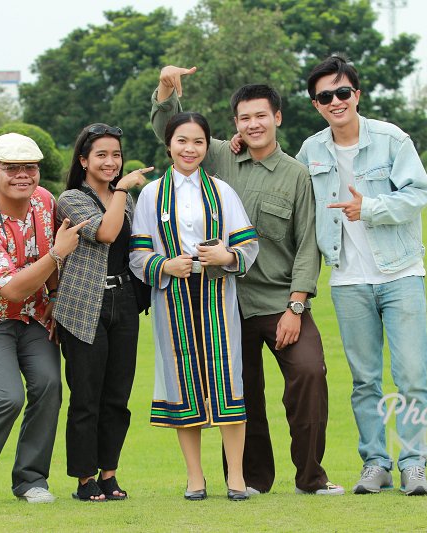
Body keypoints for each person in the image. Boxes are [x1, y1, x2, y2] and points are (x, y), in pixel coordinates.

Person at [151, 67, 343, 496]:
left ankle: (311, 477)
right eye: (243, 118)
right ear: (234, 124)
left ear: (277, 117)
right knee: (241, 391)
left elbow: (308, 244)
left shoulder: (296, 174)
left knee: (309, 375)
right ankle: (251, 480)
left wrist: (296, 306)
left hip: (278, 302)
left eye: (260, 116)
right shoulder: (218, 156)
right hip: (223, 302)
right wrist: (166, 89)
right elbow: (177, 132)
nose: (252, 125)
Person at [296, 54, 427, 496]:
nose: (335, 101)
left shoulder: (392, 139)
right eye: (325, 96)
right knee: (364, 379)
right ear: (316, 104)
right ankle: (375, 462)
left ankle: (414, 464)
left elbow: (419, 192)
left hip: (401, 272)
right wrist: (241, 144)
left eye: (342, 92)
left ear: (357, 94)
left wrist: (368, 208)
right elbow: (287, 185)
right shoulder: (311, 151)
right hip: (348, 280)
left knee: (411, 375)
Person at [0, 133, 88, 507]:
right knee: (6, 396)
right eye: (11, 168)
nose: (22, 175)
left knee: (49, 386)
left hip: (33, 318)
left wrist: (55, 296)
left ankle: (30, 479)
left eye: (30, 168)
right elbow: (11, 290)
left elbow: (49, 269)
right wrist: (57, 254)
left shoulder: (44, 202)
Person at [131, 111, 258, 501]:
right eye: (182, 141)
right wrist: (165, 264)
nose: (190, 149)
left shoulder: (222, 191)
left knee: (227, 379)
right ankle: (195, 477)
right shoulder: (152, 195)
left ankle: (235, 476)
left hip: (218, 296)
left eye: (198, 142)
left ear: (208, 145)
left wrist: (226, 255)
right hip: (173, 297)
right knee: (182, 382)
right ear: (169, 145)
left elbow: (248, 244)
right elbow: (138, 255)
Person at [54, 124, 152, 502]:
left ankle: (109, 473)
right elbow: (107, 234)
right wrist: (124, 189)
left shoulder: (123, 198)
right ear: (83, 160)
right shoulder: (71, 200)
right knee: (86, 396)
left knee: (117, 396)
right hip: (83, 307)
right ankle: (84, 479)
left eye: (116, 154)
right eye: (101, 155)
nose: (111, 162)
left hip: (124, 301)